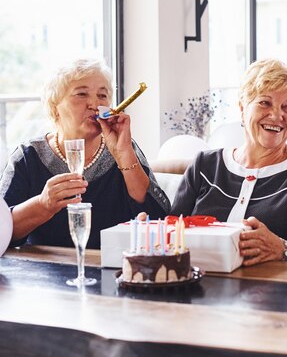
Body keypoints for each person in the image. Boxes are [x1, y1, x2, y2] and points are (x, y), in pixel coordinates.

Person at [171, 58, 287, 266]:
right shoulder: (204, 165)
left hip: (275, 293)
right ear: (242, 108)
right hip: (198, 288)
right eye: (265, 103)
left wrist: (281, 249)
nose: (277, 115)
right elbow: (171, 234)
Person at [0, 59, 169, 249]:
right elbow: (3, 230)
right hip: (45, 271)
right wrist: (43, 204)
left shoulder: (126, 148)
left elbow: (159, 218)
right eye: (81, 94)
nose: (94, 104)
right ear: (55, 108)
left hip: (111, 268)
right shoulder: (28, 156)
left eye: (102, 95)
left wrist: (124, 155)